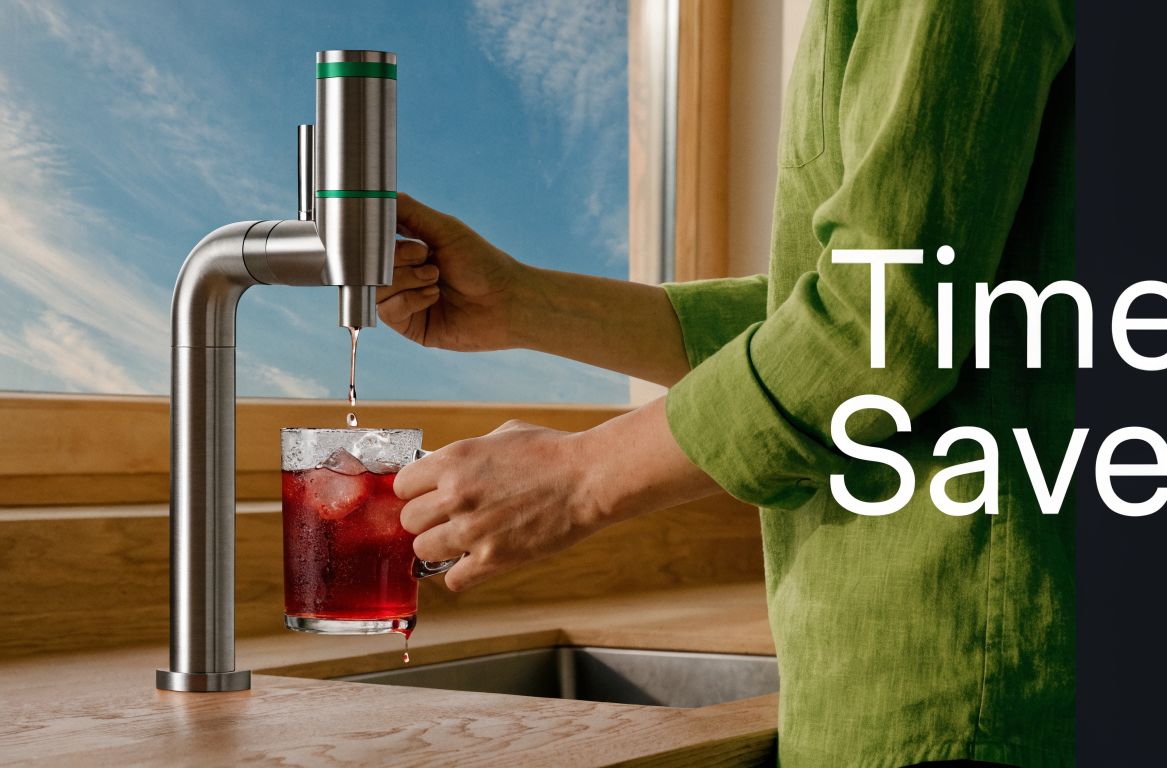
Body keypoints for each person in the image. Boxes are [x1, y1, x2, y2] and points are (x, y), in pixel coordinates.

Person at [384, 1, 1076, 765]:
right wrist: (522, 305)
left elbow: (881, 320)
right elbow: (841, 303)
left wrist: (580, 478)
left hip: (964, 676)